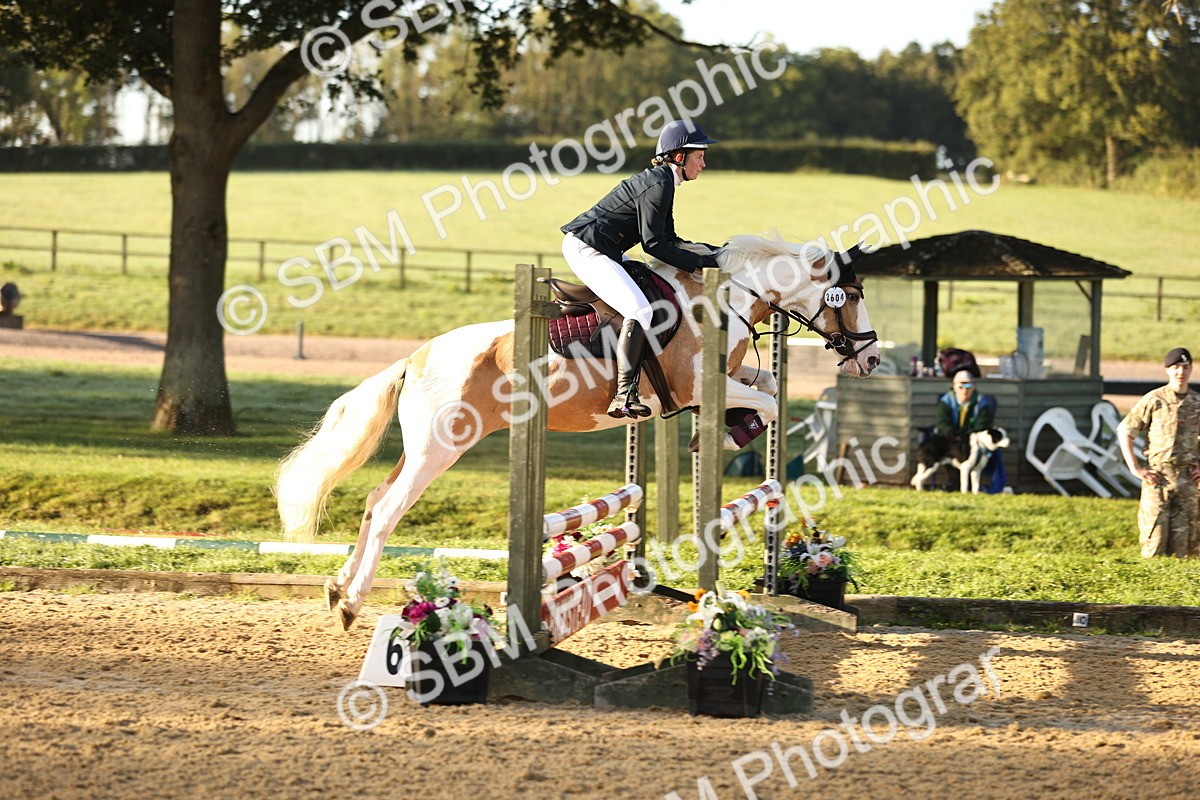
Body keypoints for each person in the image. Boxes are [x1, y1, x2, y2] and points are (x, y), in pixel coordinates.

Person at [560, 119, 722, 419]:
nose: (703, 164)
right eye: (699, 157)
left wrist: (712, 253)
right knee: (641, 311)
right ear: (679, 157)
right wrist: (702, 264)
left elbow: (670, 239)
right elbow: (654, 245)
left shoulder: (664, 181)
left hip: (604, 249)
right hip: (588, 248)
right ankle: (623, 394)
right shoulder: (660, 184)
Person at [1118, 347, 1200, 558]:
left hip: (1188, 480)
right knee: (1154, 542)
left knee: (1186, 548)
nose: (1181, 372)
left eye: (1185, 367)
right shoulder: (1155, 400)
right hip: (1158, 478)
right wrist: (1135, 468)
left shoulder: (1197, 403)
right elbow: (1125, 430)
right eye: (1176, 367)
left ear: (1191, 369)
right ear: (1167, 370)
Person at [934, 368, 1003, 491]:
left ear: (974, 387)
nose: (964, 390)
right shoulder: (946, 401)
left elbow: (982, 424)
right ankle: (953, 482)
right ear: (954, 386)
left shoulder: (982, 403)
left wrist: (968, 436)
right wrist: (951, 433)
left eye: (968, 386)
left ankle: (992, 487)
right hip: (952, 440)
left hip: (972, 441)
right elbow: (942, 422)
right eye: (960, 386)